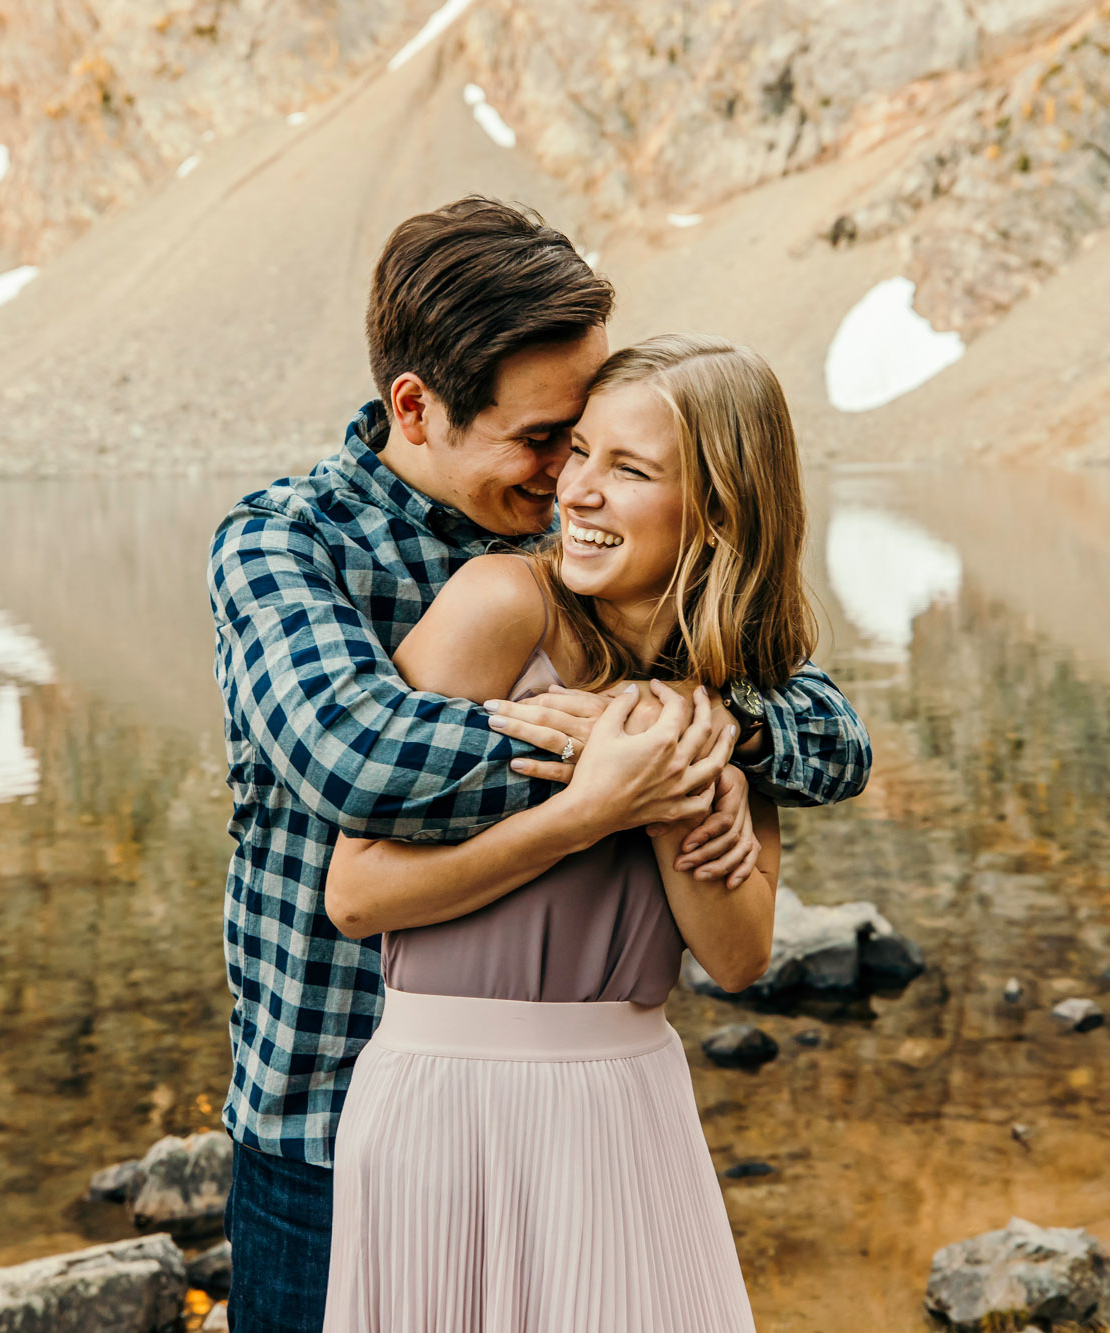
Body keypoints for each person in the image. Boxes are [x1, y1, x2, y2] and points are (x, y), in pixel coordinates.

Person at [209, 197, 871, 1332]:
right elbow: (354, 758)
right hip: (329, 1112)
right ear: (415, 407)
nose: (568, 473)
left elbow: (826, 728)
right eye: (545, 440)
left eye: (589, 437)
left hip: (583, 1113)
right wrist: (624, 761)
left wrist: (718, 727)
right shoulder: (286, 543)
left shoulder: (579, 546)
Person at [321, 334, 810, 1331]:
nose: (576, 491)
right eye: (577, 451)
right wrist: (590, 810)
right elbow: (356, 893)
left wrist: (671, 767)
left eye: (627, 469)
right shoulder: (500, 604)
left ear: (719, 511)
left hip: (629, 1106)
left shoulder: (728, 687)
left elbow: (737, 953)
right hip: (447, 1103)